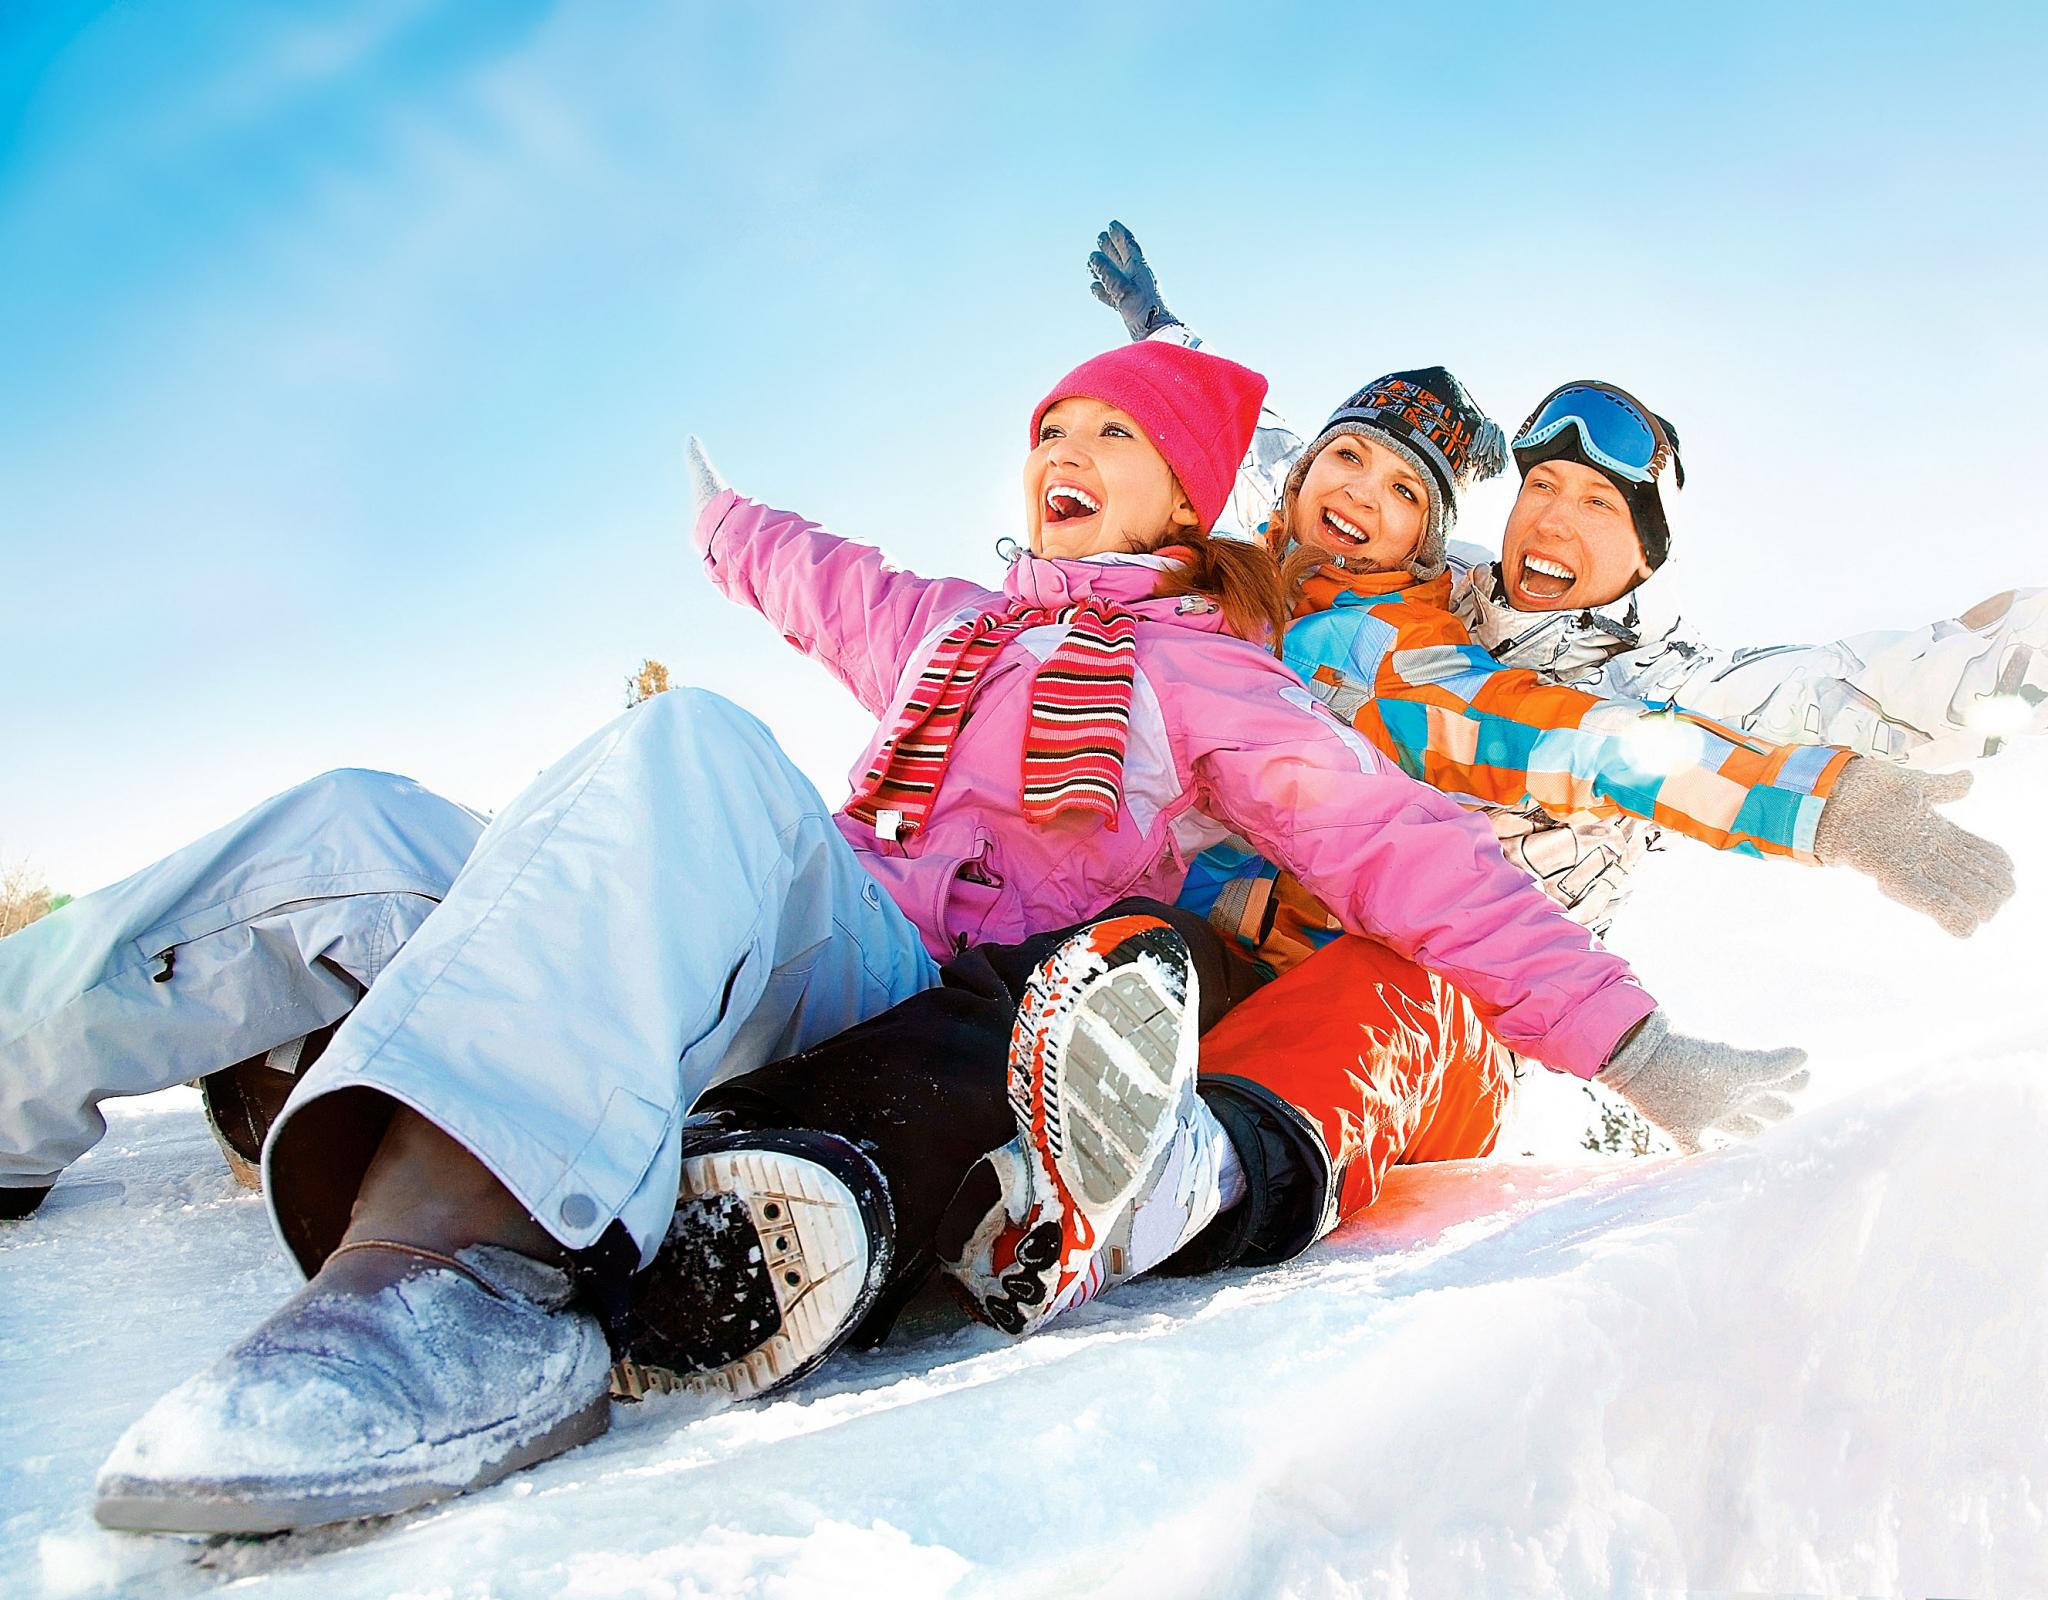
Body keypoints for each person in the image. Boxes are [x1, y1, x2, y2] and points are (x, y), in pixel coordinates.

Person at [8, 340, 1757, 1535]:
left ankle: (465, 1264)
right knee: (354, 826)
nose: (1066, 457)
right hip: (792, 918)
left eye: (1116, 441)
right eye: (1054, 431)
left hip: (898, 984)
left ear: (1188, 500)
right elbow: (806, 569)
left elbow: (1408, 852)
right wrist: (717, 512)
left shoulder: (1217, 675)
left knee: (689, 750)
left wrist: (1636, 1046)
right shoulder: (947, 621)